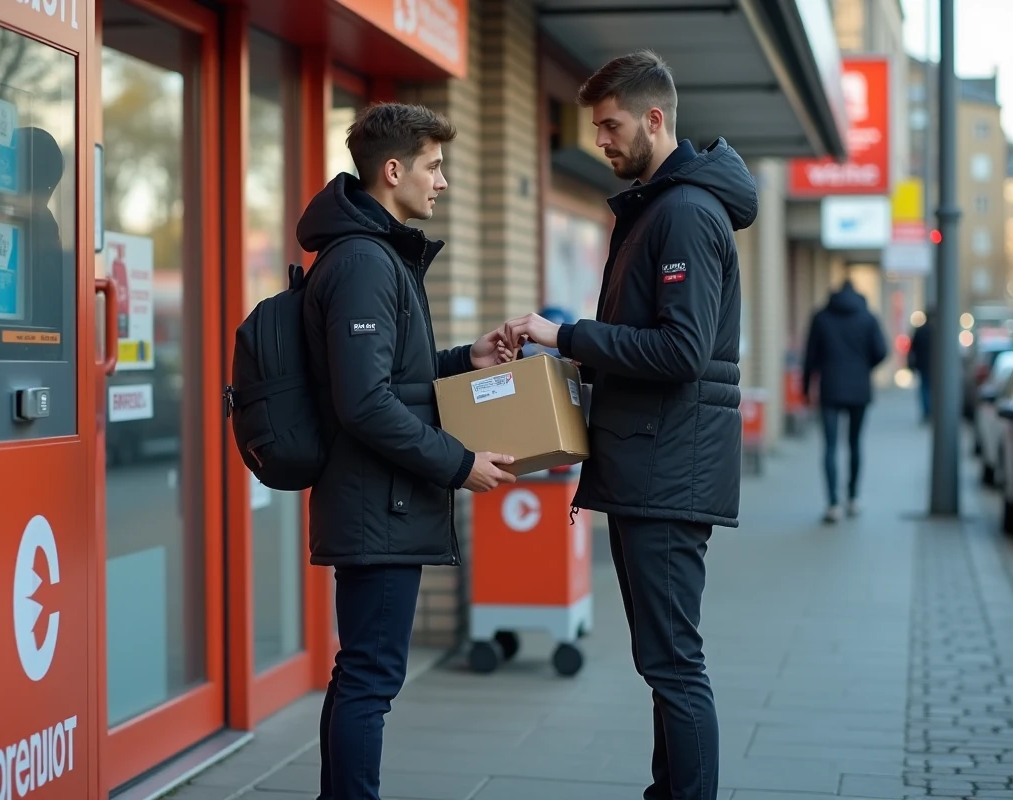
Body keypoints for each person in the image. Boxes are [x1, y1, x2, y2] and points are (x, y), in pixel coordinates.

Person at [502, 50, 757, 800]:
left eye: (611, 126)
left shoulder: (682, 214)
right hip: (654, 464)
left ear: (655, 119)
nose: (601, 142)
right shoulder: (660, 209)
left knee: (674, 663)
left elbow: (679, 351)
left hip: (668, 472)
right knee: (663, 661)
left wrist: (567, 336)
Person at [298, 102, 517, 800]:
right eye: (434, 166)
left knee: (366, 673)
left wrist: (463, 358)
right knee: (369, 677)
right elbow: (363, 403)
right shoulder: (364, 260)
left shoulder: (374, 253)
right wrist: (460, 465)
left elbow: (387, 377)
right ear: (393, 171)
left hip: (380, 500)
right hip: (377, 505)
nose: (443, 182)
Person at [801, 278, 889, 523]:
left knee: (829, 446)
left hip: (830, 388)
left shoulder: (821, 317)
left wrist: (806, 389)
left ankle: (832, 504)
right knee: (854, 443)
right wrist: (864, 367)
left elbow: (809, 356)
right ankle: (853, 498)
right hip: (859, 389)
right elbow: (882, 351)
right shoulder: (868, 317)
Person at [908, 308, 934, 423]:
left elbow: (912, 350)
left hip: (922, 364)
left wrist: (911, 364)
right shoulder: (937, 331)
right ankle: (930, 411)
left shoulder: (920, 331)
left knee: (924, 388)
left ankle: (927, 412)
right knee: (930, 389)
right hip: (933, 366)